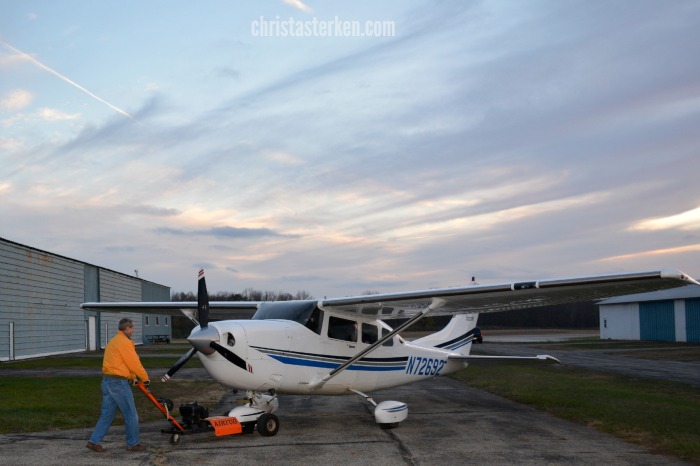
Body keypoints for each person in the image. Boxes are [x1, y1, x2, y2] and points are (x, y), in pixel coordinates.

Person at [86, 318, 150, 452]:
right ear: (127, 329)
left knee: (107, 414)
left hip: (107, 381)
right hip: (118, 384)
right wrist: (145, 378)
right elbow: (134, 363)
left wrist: (132, 377)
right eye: (132, 328)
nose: (133, 330)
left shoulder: (114, 341)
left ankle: (94, 441)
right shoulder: (125, 343)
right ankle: (133, 444)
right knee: (131, 414)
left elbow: (119, 363)